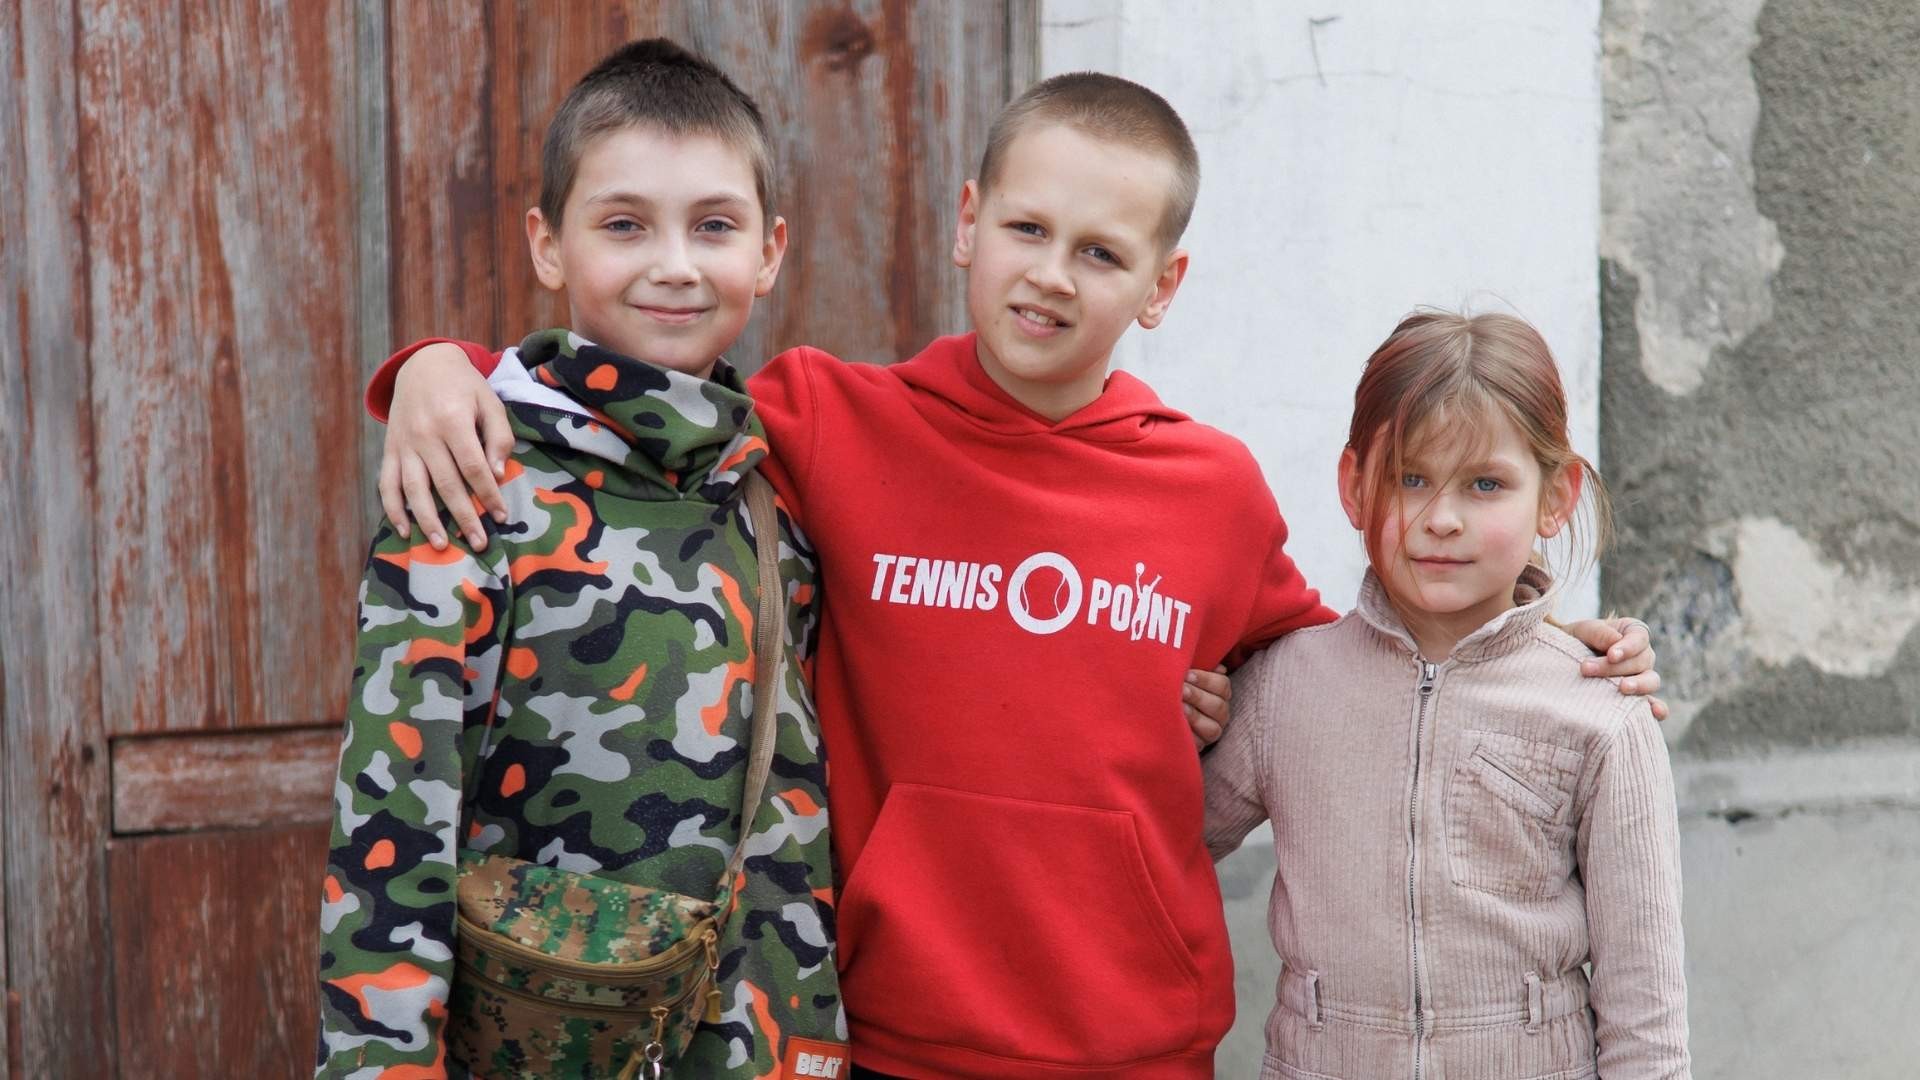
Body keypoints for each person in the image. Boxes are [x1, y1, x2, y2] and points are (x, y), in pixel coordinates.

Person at [366, 75, 1662, 1077]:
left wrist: (1557, 647)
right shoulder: (826, 419)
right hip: (886, 1028)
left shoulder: (1206, 490)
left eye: (1102, 252)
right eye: (1029, 229)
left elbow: (1362, 664)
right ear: (969, 225)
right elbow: (635, 413)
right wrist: (440, 366)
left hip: (1136, 1039)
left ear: (1163, 285)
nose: (1053, 272)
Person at [315, 40, 846, 1078]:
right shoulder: (469, 483)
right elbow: (391, 823)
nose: (675, 264)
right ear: (548, 244)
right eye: (623, 225)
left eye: (714, 226)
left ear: (770, 251)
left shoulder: (782, 501)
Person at [1205, 310, 1689, 1079]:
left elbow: (1647, 1016)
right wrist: (1174, 718)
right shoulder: (1287, 688)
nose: (1442, 519)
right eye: (1410, 478)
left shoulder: (1600, 710)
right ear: (1355, 487)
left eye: (1485, 484)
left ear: (1555, 497)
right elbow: (1158, 843)